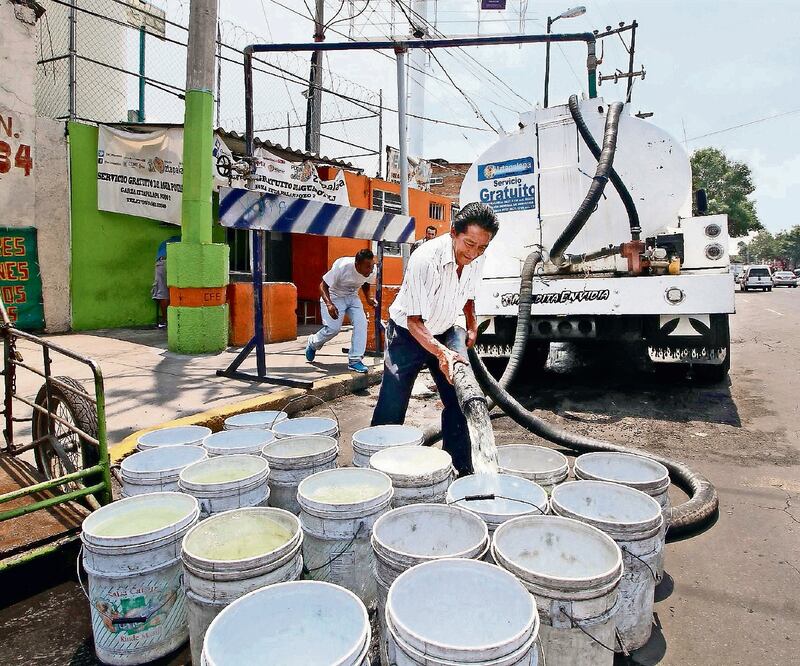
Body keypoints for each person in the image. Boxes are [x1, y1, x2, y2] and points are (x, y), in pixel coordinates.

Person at [371, 203, 499, 476]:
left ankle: (459, 468)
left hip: (446, 329)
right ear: (453, 232)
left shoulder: (478, 257)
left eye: (481, 248)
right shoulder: (425, 259)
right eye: (469, 244)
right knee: (393, 403)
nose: (474, 253)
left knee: (459, 398)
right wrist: (442, 354)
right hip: (407, 334)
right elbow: (414, 321)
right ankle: (378, 468)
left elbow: (469, 295)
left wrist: (472, 324)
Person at [305, 248, 377, 374]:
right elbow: (323, 285)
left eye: (371, 266)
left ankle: (355, 360)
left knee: (362, 323)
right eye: (367, 267)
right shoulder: (342, 266)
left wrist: (368, 298)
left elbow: (365, 283)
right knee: (333, 329)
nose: (370, 270)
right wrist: (329, 304)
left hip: (352, 297)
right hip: (334, 296)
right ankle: (313, 343)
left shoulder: (372, 270)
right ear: (357, 265)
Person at [151, 235, 180, 328]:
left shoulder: (164, 243)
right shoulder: (187, 241)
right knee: (182, 290)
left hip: (163, 262)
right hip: (178, 262)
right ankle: (178, 320)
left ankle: (165, 321)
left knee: (163, 292)